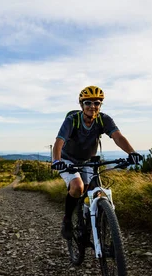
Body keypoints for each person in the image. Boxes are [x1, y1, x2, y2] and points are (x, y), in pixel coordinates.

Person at [51, 85, 143, 239]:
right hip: (67, 159)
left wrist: (132, 153)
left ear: (100, 105)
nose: (92, 107)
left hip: (87, 160)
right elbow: (59, 142)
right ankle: (67, 219)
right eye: (88, 103)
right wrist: (57, 161)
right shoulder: (72, 120)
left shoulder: (103, 119)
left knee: (88, 189)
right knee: (77, 187)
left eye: (97, 103)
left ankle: (85, 218)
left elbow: (118, 137)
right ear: (81, 105)